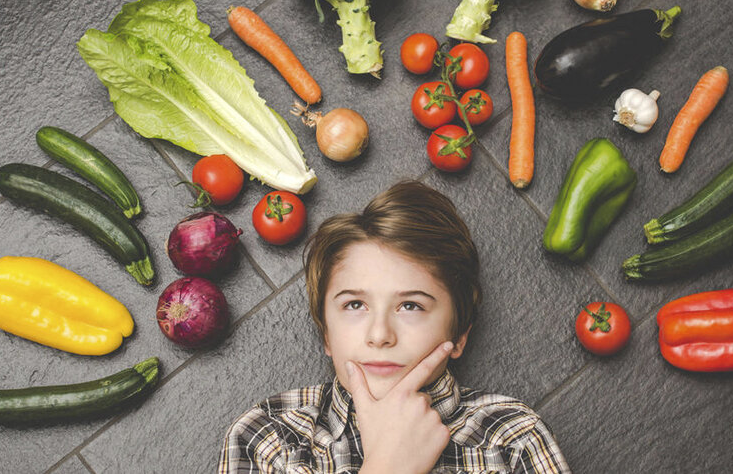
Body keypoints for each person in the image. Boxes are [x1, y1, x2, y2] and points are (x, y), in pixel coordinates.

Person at [218, 180, 570, 473]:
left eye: (411, 306)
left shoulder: (511, 438)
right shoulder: (269, 437)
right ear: (326, 332)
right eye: (355, 305)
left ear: (459, 333)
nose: (380, 335)